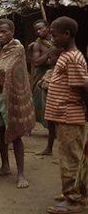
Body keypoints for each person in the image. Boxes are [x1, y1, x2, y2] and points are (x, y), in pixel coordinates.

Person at [0, 18, 35, 189]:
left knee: (15, 135)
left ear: (12, 31)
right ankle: (5, 166)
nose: (1, 35)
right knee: (1, 132)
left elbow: (7, 69)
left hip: (9, 99)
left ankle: (21, 174)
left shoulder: (17, 49)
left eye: (4, 32)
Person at [44, 17, 88, 214]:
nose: (51, 38)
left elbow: (82, 86)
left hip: (70, 114)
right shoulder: (65, 54)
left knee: (71, 158)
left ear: (67, 34)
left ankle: (75, 199)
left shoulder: (73, 58)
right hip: (64, 115)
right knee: (69, 155)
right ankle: (74, 191)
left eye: (54, 35)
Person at [34, 47, 62, 156]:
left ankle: (62, 150)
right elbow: (41, 84)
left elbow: (48, 84)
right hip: (50, 104)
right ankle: (49, 148)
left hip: (58, 105)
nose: (48, 60)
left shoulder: (59, 71)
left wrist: (46, 83)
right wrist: (44, 83)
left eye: (51, 58)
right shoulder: (50, 71)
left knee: (60, 129)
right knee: (51, 126)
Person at [30, 20, 55, 138]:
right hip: (41, 75)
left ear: (48, 28)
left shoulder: (56, 40)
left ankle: (53, 130)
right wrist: (48, 53)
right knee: (37, 102)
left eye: (41, 28)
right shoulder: (37, 45)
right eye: (36, 30)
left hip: (55, 75)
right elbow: (36, 62)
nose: (38, 31)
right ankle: (29, 127)